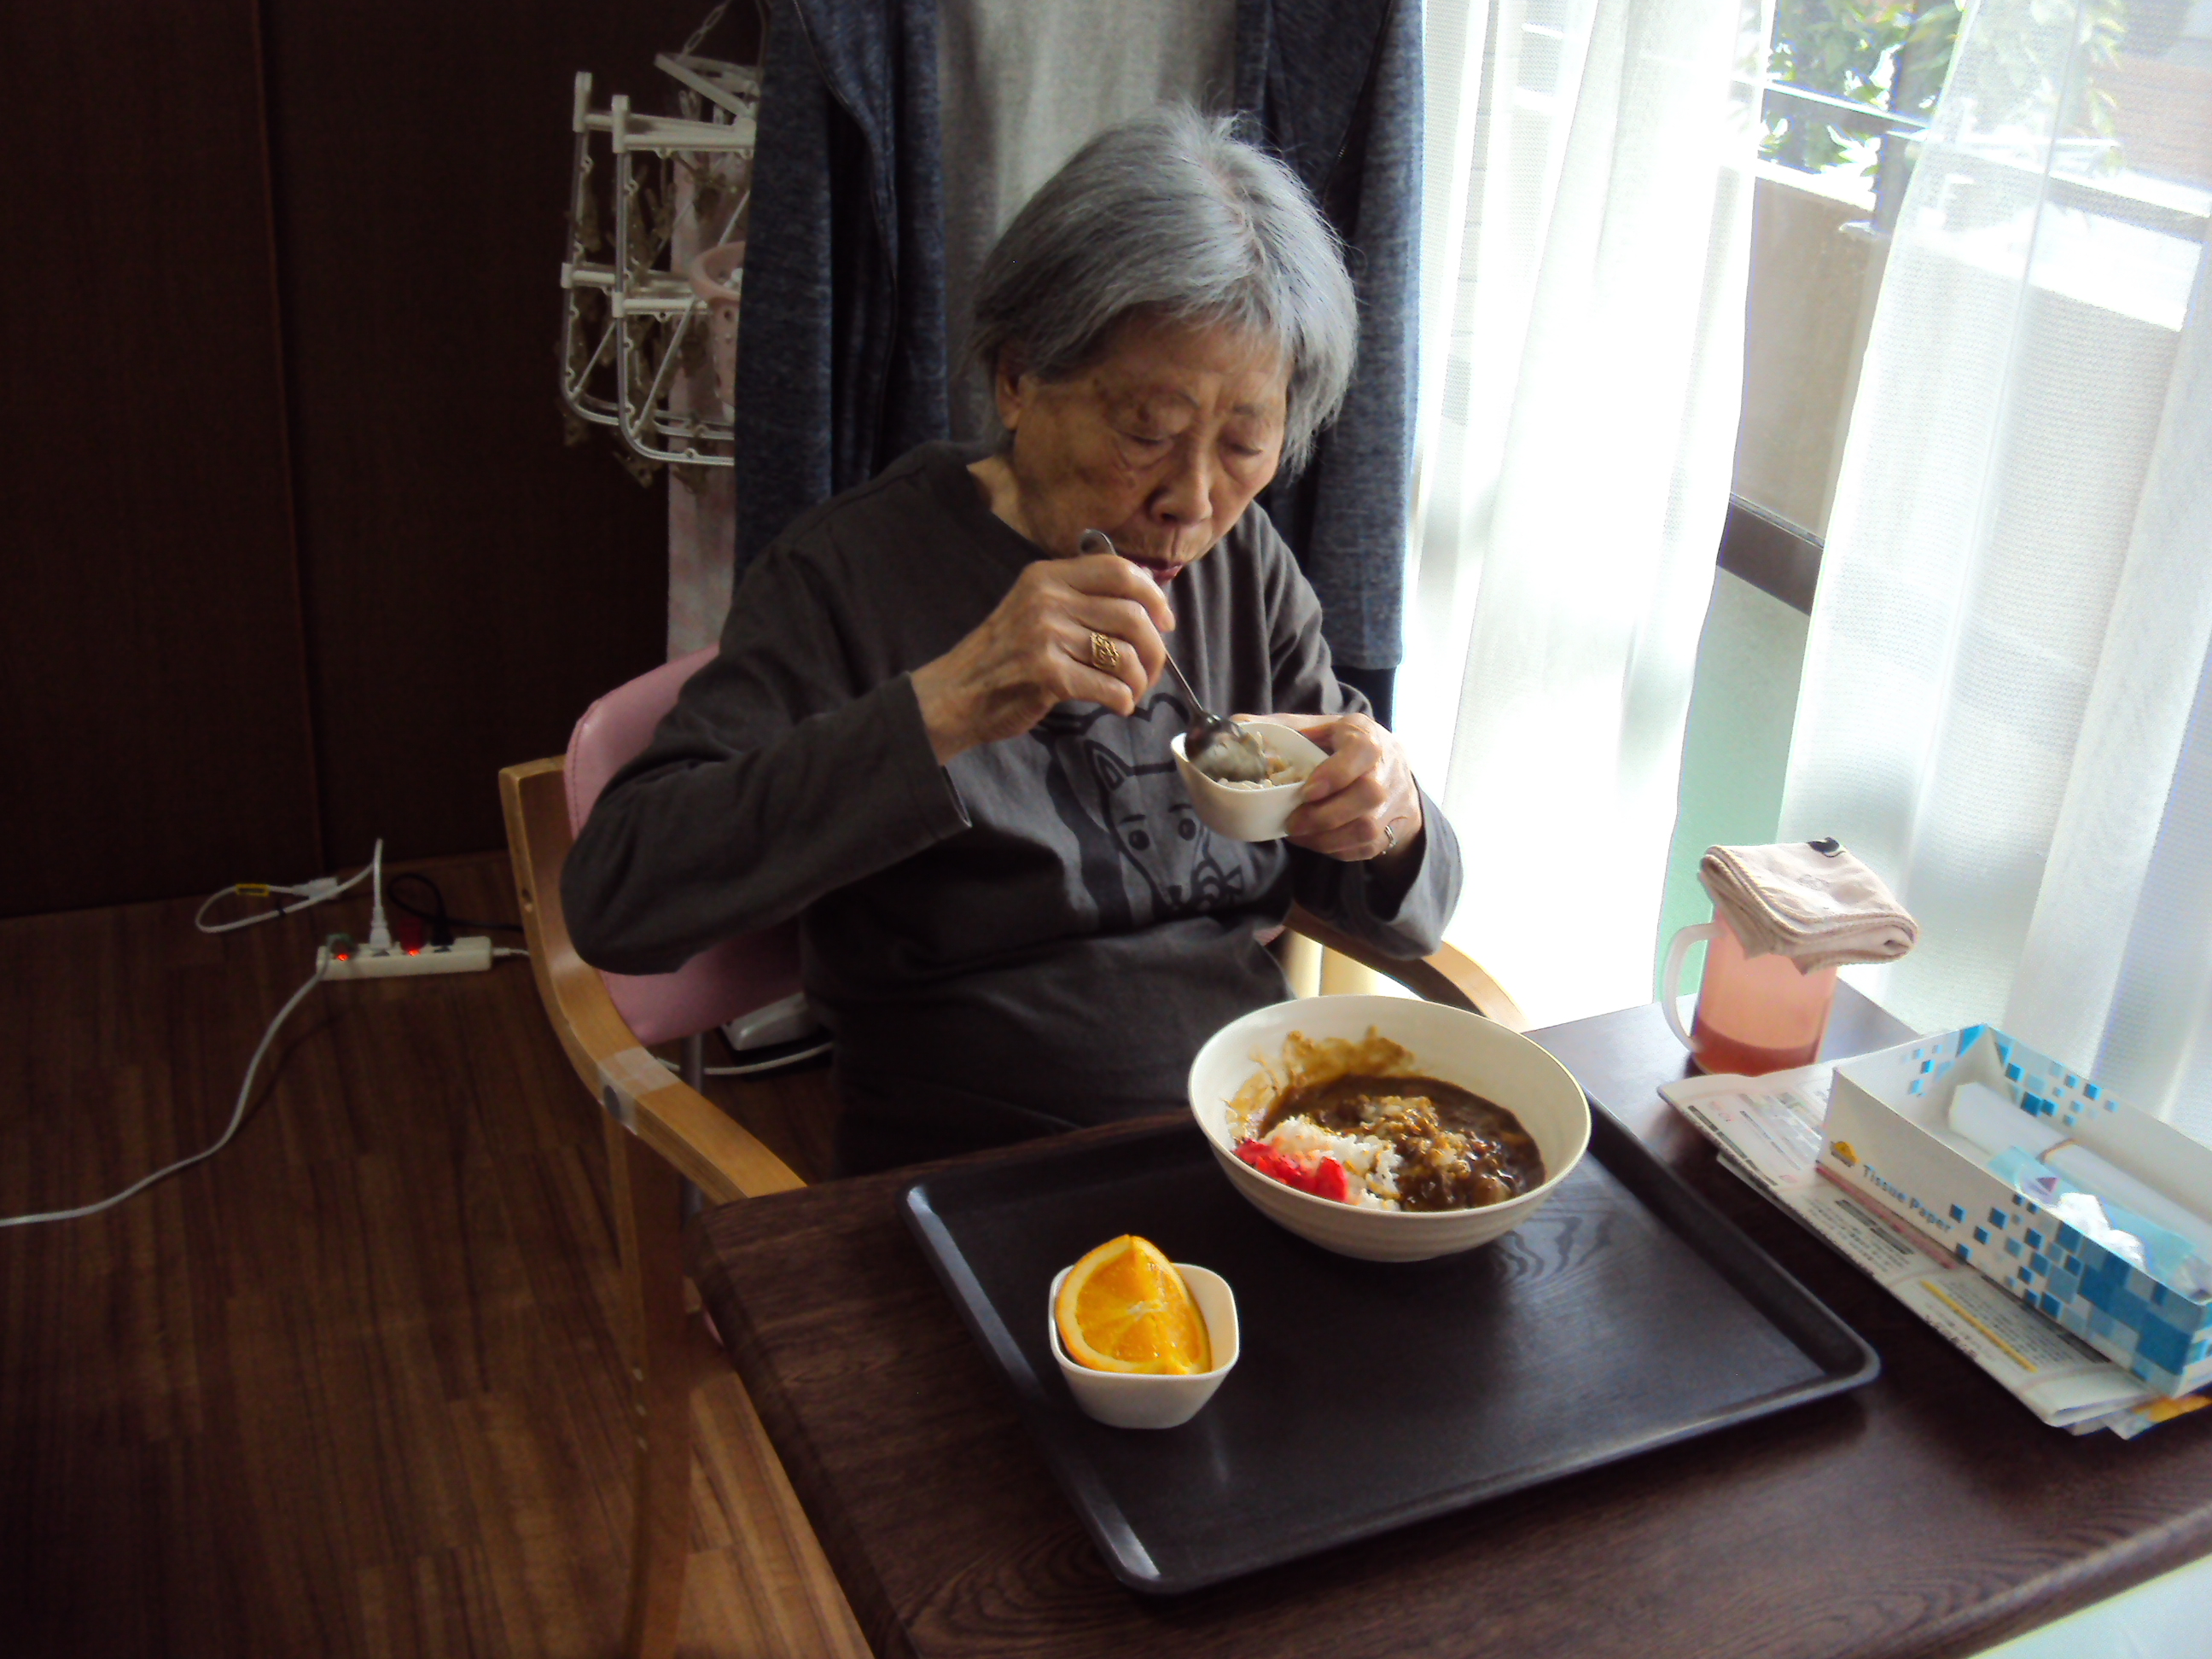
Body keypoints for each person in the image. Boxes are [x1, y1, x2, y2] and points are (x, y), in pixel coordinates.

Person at [563, 108, 1461, 1174]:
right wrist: (944, 707)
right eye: (1148, 432)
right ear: (1019, 378)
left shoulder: (1244, 564)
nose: (1192, 501)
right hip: (983, 1176)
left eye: (1245, 444)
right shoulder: (848, 575)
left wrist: (1390, 816)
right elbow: (620, 899)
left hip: (1252, 1146)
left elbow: (1409, 909)